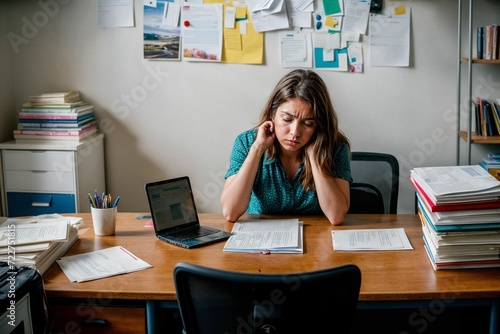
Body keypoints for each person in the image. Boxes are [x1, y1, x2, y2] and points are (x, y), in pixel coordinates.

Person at [220, 69, 352, 225]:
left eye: (308, 123)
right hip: (261, 240)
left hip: (315, 240)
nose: (295, 132)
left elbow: (336, 216)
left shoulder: (336, 147)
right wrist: (257, 149)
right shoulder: (247, 143)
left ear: (319, 125)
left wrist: (315, 159)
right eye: (287, 119)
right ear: (272, 114)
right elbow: (230, 212)